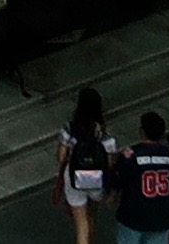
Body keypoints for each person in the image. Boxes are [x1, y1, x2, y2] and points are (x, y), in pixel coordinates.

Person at [54, 84, 116, 244]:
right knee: (91, 217)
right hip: (96, 177)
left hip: (75, 176)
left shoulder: (70, 128)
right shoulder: (105, 133)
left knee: (81, 225)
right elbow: (110, 162)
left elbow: (61, 157)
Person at [114, 112, 169, 244]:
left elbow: (119, 177)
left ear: (142, 132)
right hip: (161, 217)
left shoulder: (131, 154)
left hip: (133, 217)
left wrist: (112, 194)